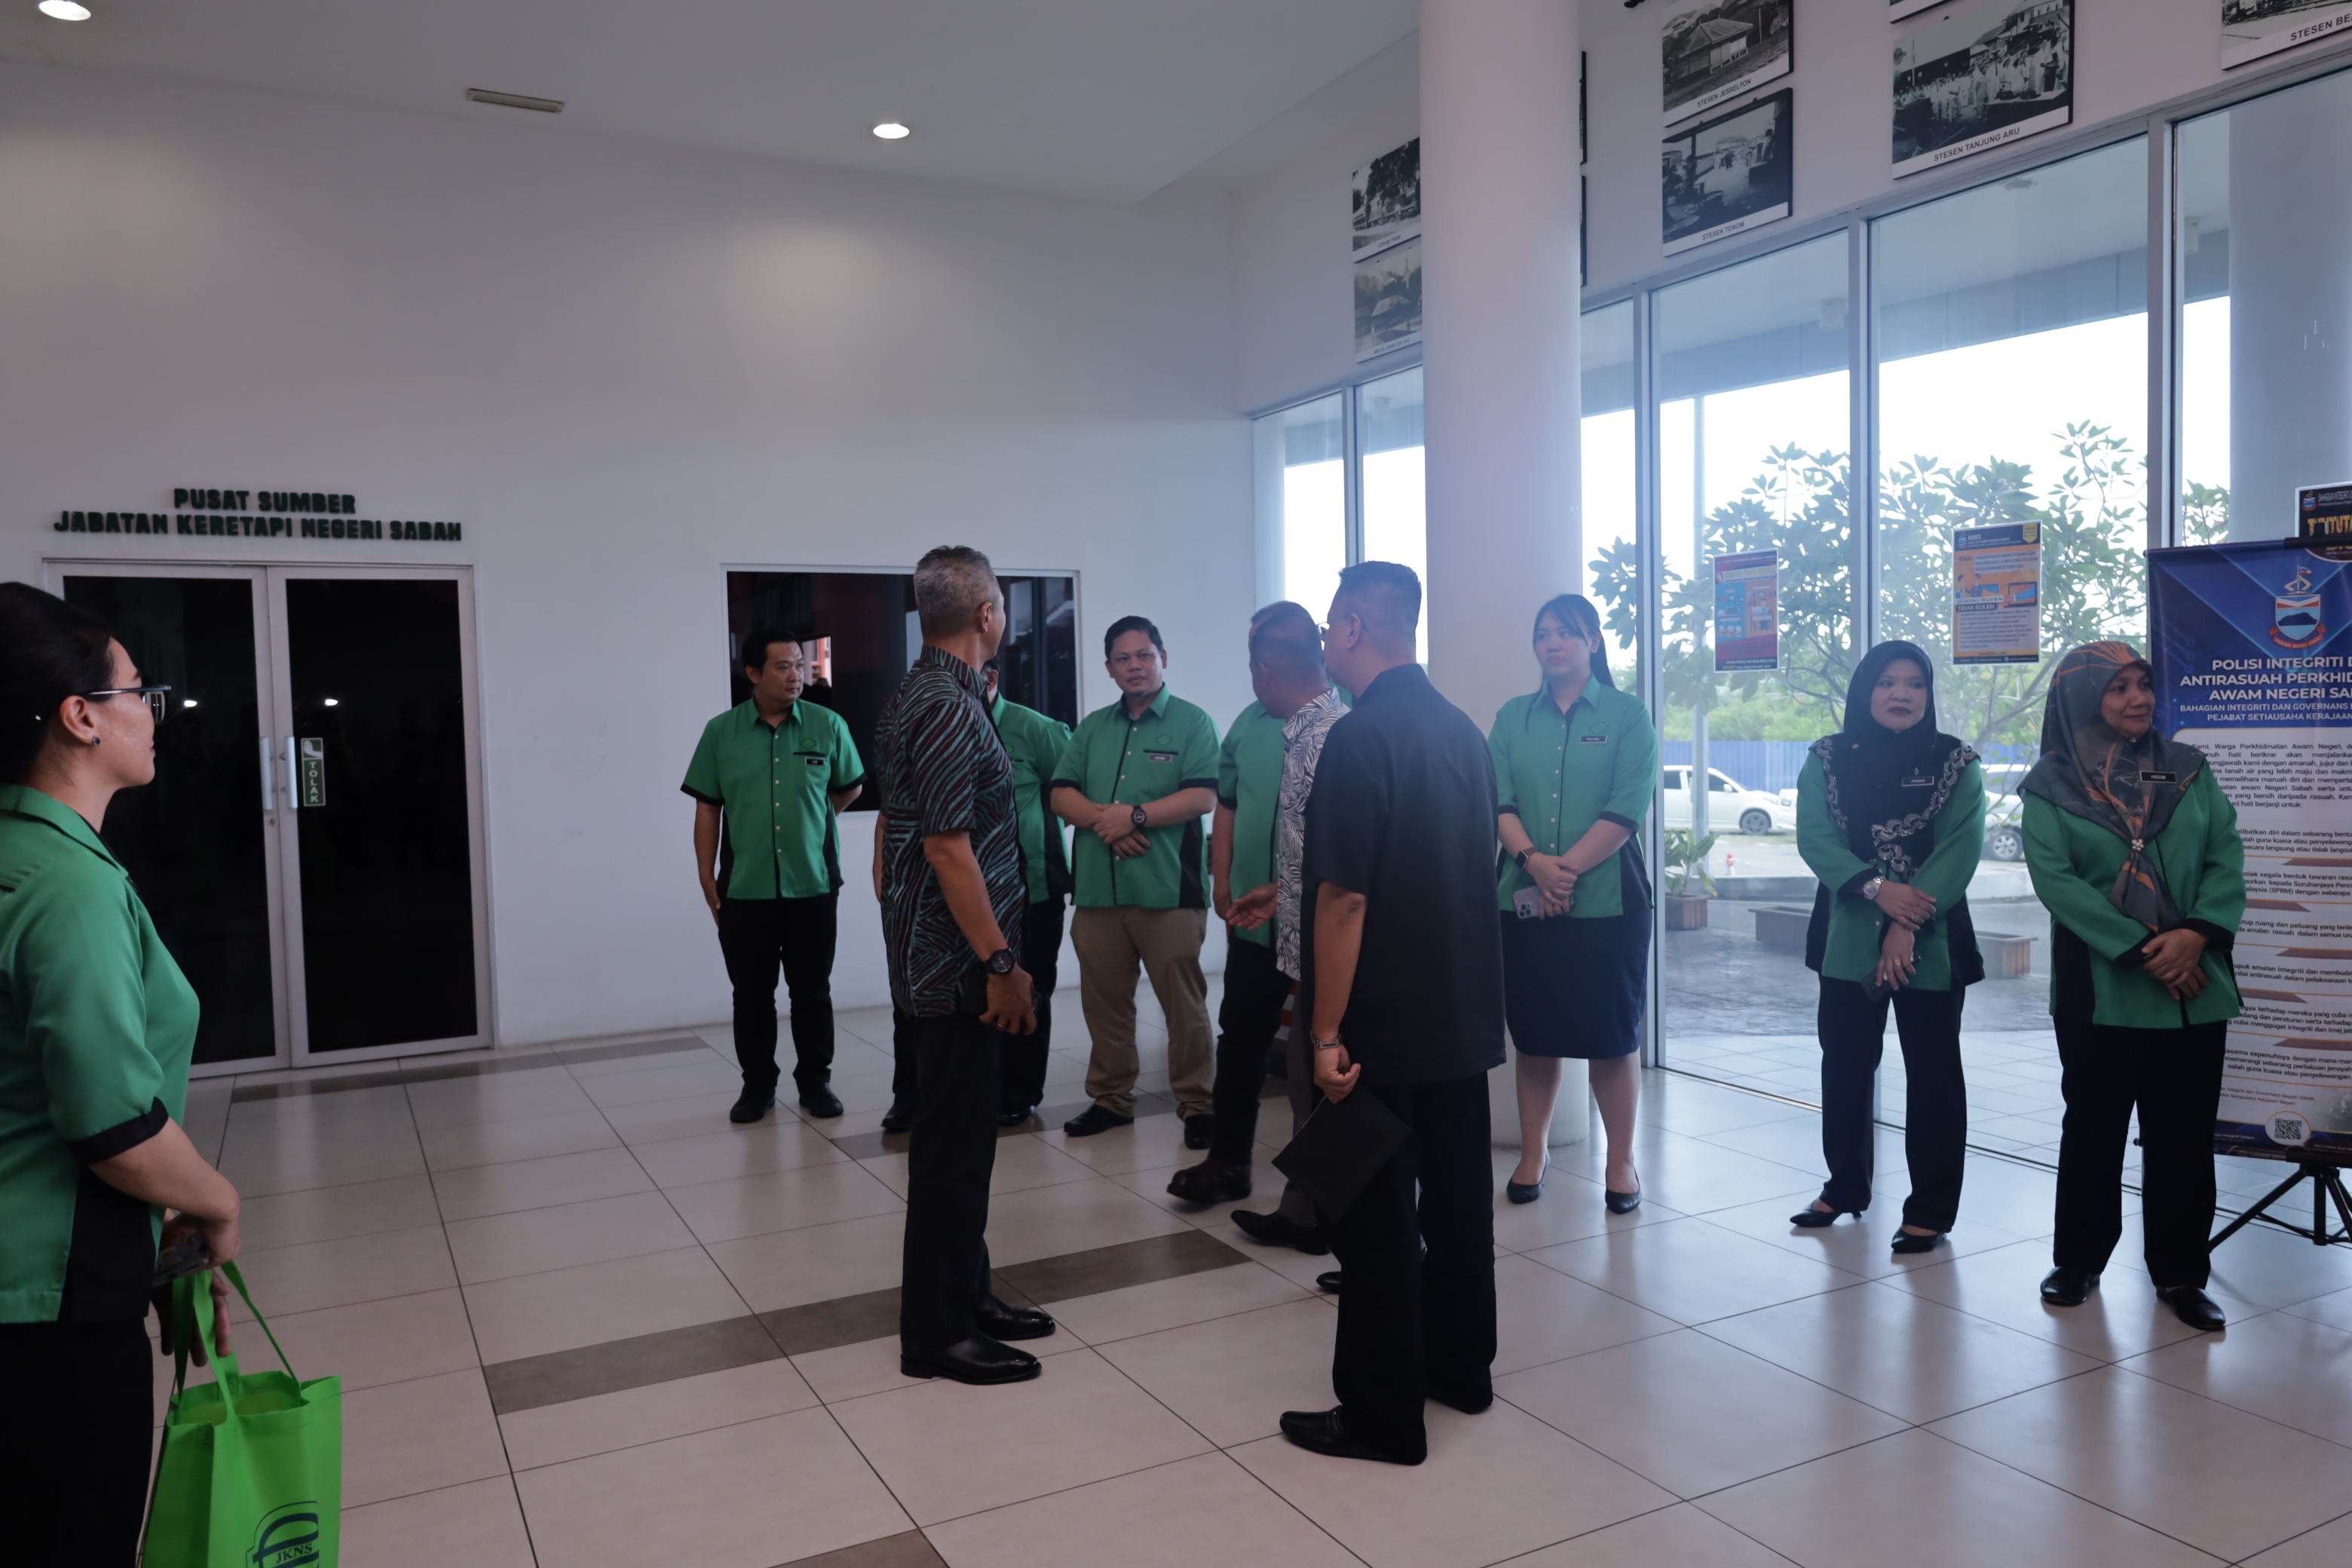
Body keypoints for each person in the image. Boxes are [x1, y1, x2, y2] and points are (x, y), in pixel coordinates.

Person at [0, 583, 243, 1566]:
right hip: (50, 1301)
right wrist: (214, 1200)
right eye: (140, 690)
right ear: (81, 716)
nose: (155, 712)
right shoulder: (67, 886)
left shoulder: (19, 852)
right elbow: (113, 1128)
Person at [1281, 562, 1506, 1466]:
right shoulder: (1464, 733)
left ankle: (1382, 1415)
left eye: (1329, 629)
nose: (1326, 644)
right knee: (1458, 1210)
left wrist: (1324, 1032)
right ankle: (1461, 1370)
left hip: (1378, 1028)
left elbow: (1345, 899)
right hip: (1460, 1016)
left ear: (1350, 629)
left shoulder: (1359, 737)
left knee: (1375, 1224)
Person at [2023, 643, 2244, 1332]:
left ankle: (2181, 1273)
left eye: (2143, 683)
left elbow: (2225, 853)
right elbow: (2057, 881)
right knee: (2093, 1131)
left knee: (2183, 1137)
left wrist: (2196, 933)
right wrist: (2151, 949)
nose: (2138, 698)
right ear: (2081, 698)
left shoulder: (2188, 767)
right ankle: (2078, 1261)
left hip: (2193, 983)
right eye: (2117, 687)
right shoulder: (2051, 783)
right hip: (2103, 986)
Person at [874, 547, 1056, 1385]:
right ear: (987, 614)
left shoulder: (931, 691)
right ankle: (936, 1332)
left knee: (967, 1143)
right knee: (951, 1152)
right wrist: (1002, 961)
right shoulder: (946, 706)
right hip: (955, 969)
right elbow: (949, 848)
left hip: (942, 959)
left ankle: (968, 1291)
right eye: (1004, 605)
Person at [1792, 640, 1985, 1253]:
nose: (1901, 694)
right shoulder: (1827, 758)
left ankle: (1930, 1208)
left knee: (1934, 1074)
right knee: (1845, 1065)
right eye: (1886, 682)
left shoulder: (1956, 761)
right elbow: (1816, 838)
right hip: (1848, 931)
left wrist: (1906, 918)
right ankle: (1844, 1185)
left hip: (1933, 935)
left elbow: (1961, 848)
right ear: (1865, 691)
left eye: (1915, 684)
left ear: (1929, 695)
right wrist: (1880, 891)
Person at [1490, 595, 1660, 1211]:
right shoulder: (1513, 717)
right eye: (1544, 634)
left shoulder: (1628, 715)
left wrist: (1563, 874)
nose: (1553, 643)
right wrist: (1535, 864)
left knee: (1612, 1037)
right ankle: (1534, 1153)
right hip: (1523, 897)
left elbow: (1627, 807)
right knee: (1536, 1037)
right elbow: (1498, 801)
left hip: (1610, 906)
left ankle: (1621, 1162)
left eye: (1567, 632)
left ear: (1593, 641)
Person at [1169, 602, 1331, 1207]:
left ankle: (1317, 1192)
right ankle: (1228, 1162)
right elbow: (1228, 806)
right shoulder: (1249, 722)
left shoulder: (1342, 722)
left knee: (1318, 1053)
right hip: (1255, 919)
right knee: (1241, 1039)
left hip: (1320, 923)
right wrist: (1221, 879)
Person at [1049, 617, 1220, 1144]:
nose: (1135, 666)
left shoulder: (1192, 722)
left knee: (1183, 1006)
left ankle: (1198, 1104)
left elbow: (1202, 796)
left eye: (1144, 655)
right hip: (1098, 894)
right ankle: (1111, 1099)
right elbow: (1060, 794)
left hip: (1169, 893)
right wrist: (1111, 822)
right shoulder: (1092, 728)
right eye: (1123, 659)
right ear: (1109, 668)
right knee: (1106, 1006)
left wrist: (1136, 817)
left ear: (1162, 658)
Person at [683, 629, 865, 1123]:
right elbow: (708, 808)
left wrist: (813, 821)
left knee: (812, 991)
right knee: (751, 995)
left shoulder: (828, 725)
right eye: (783, 667)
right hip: (745, 889)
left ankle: (816, 1084)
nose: (796, 676)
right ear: (754, 673)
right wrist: (705, 876)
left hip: (814, 884)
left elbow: (848, 788)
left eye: (800, 666)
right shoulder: (721, 733)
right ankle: (757, 1086)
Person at [985, 659, 1074, 1126]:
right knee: (975, 993)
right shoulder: (947, 726)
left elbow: (1075, 795)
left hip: (1033, 888)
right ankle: (978, 1087)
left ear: (991, 678)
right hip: (970, 893)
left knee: (1031, 988)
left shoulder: (1037, 730)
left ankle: (1019, 1094)